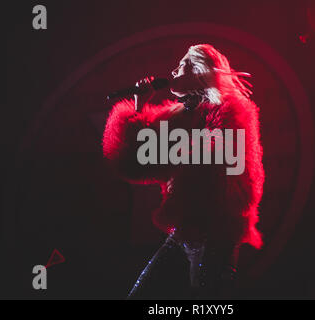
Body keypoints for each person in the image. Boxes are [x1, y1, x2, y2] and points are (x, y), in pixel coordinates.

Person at [102, 44, 264, 299]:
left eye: (182, 65)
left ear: (200, 70)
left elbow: (230, 169)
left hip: (215, 235)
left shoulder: (231, 110)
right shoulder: (175, 116)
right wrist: (137, 108)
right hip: (183, 233)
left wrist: (181, 153)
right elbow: (133, 163)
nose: (174, 70)